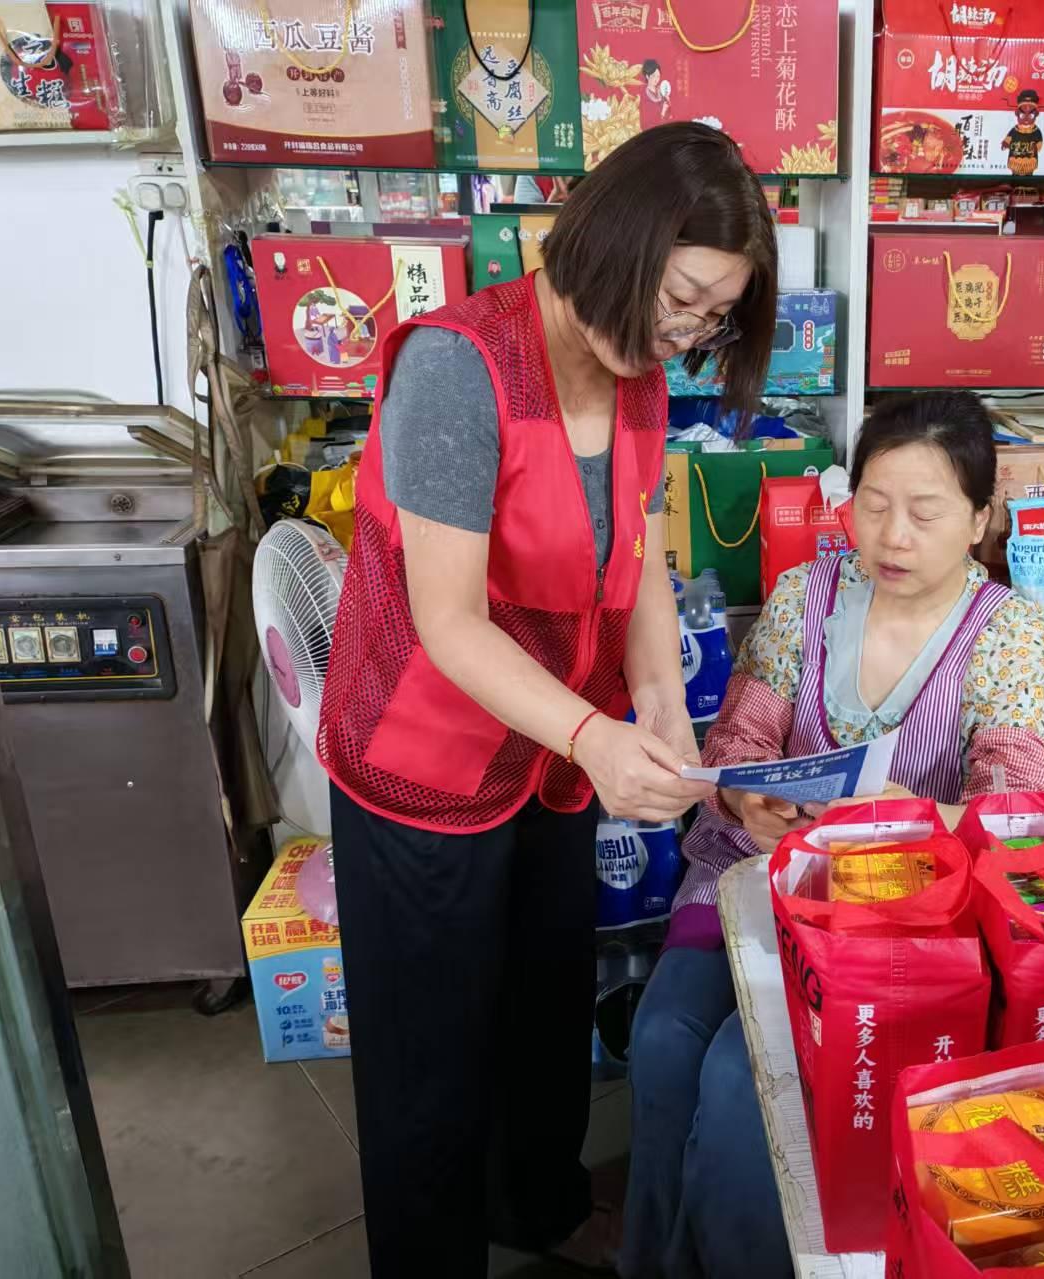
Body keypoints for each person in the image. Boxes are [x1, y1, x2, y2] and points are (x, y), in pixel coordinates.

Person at [316, 122, 778, 1278]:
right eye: (678, 299)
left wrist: (659, 698)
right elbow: (448, 621)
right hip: (424, 765)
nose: (683, 334)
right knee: (428, 1064)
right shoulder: (458, 368)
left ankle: (539, 1206)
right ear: (613, 243)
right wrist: (591, 733)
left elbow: (642, 552)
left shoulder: (638, 376)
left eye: (711, 317)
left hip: (548, 760)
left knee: (542, 1007)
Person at [621, 392, 1044, 1279]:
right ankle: (652, 1259)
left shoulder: (1006, 632)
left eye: (925, 513)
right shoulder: (805, 596)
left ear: (980, 520)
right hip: (755, 879)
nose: (893, 535)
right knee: (665, 1035)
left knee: (742, 1084)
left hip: (896, 926)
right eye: (874, 503)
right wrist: (746, 795)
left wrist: (912, 817)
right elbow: (739, 740)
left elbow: (1020, 816)